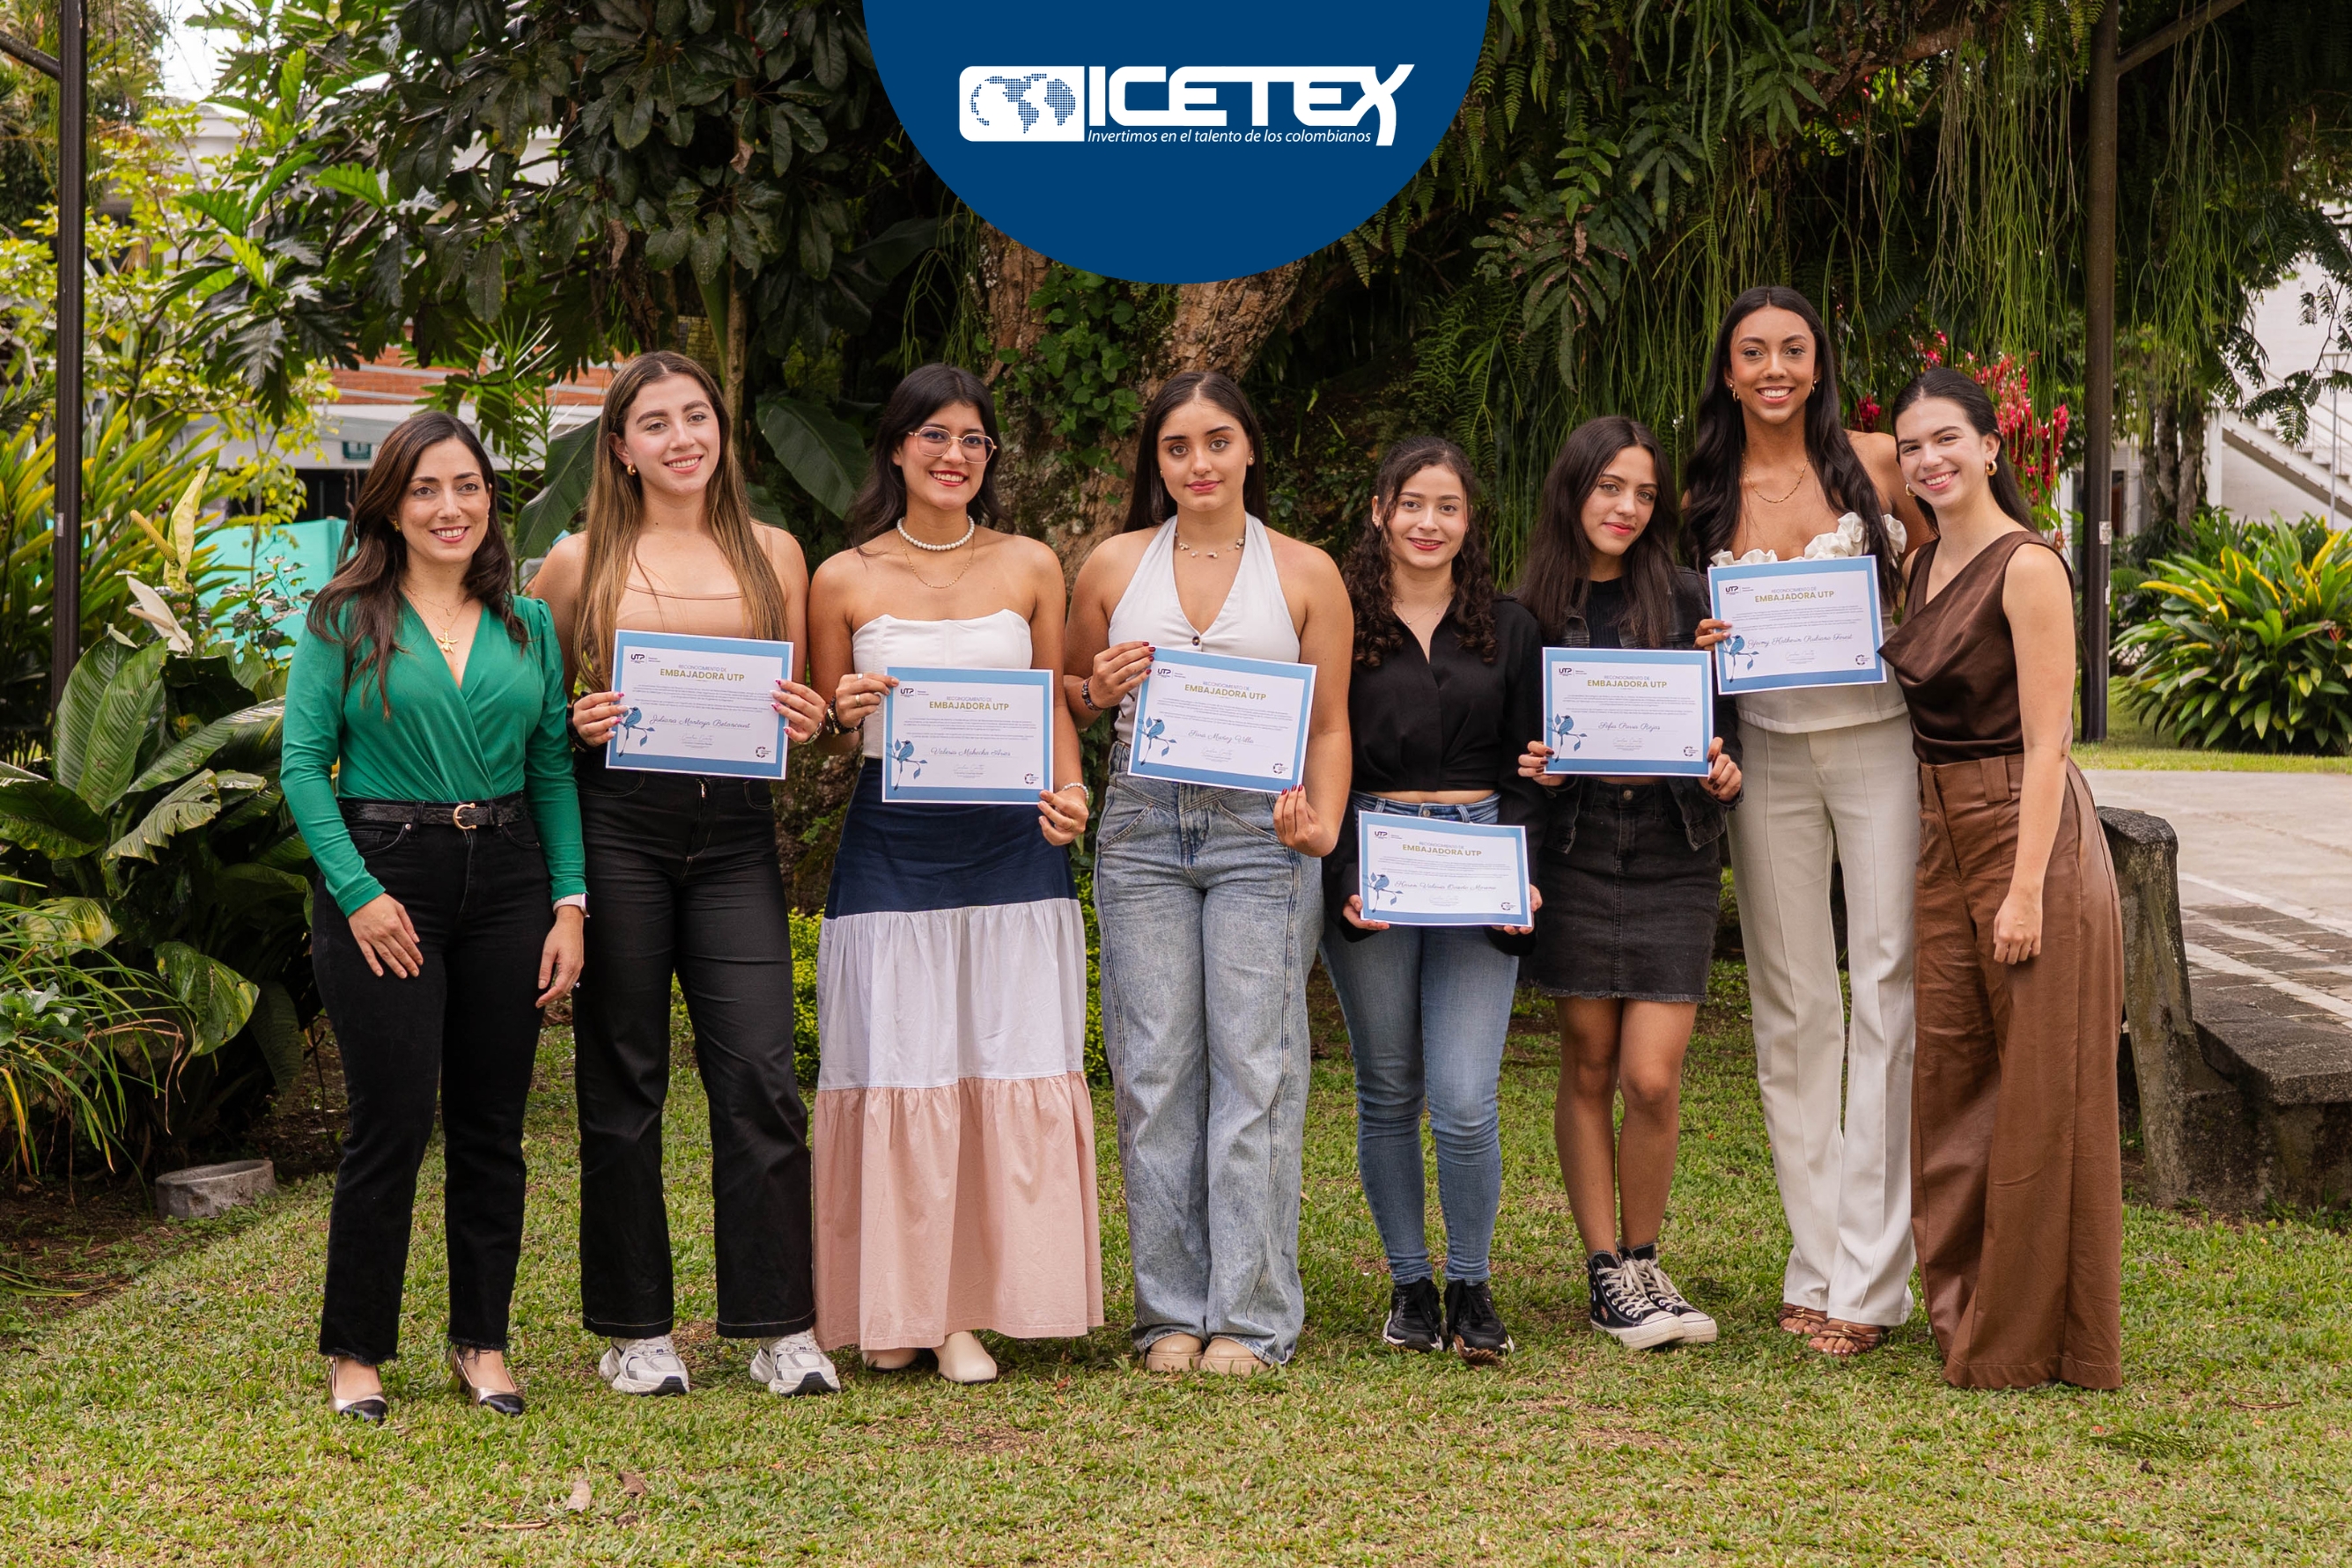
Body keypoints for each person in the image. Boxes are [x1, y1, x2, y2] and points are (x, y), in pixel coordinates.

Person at [531, 350, 839, 1401]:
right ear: (618, 445)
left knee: (759, 1073)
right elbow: (537, 725)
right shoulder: (574, 563)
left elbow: (801, 706)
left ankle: (778, 1325)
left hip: (736, 837)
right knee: (625, 1079)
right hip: (620, 831)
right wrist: (573, 721)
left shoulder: (777, 554)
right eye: (654, 422)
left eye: (695, 416)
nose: (680, 438)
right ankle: (635, 1329)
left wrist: (810, 716)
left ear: (721, 428)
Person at [284, 412, 586, 1423]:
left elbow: (550, 769)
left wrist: (569, 903)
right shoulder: (345, 614)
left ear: (490, 498)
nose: (449, 507)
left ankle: (482, 1341)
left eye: (467, 485)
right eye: (424, 489)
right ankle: (357, 1350)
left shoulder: (527, 622)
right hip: (385, 869)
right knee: (395, 1119)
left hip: (507, 875)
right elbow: (301, 765)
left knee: (493, 1126)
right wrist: (360, 893)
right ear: (390, 505)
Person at [806, 363, 1101, 1386]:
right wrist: (842, 711)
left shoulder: (1029, 564)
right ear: (895, 447)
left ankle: (970, 1308)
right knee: (901, 1070)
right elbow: (831, 737)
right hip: (892, 848)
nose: (954, 455)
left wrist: (1074, 798)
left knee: (996, 1066)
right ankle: (899, 1303)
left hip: (1014, 849)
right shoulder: (840, 576)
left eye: (974, 439)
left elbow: (1052, 703)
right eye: (934, 435)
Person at [1065, 370, 1353, 1376]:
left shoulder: (1307, 573)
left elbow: (1328, 722)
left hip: (1259, 835)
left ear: (1249, 450)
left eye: (1218, 441)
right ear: (1157, 461)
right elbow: (1070, 690)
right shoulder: (1108, 566)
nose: (1199, 463)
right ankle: (1169, 1314)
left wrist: (1320, 823)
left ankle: (1252, 1315)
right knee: (1152, 1074)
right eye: (1179, 446)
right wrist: (1091, 688)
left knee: (1257, 1069)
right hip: (1143, 830)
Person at [1682, 285, 1930, 1358]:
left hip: (1879, 737)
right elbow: (1661, 618)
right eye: (1753, 352)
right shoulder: (1702, 493)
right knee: (1792, 1004)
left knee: (1882, 984)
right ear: (1728, 371)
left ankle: (1872, 1280)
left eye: (1793, 349)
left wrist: (1900, 613)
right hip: (1769, 753)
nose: (1774, 367)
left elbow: (1952, 566)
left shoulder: (1875, 463)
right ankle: (1814, 1257)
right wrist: (1692, 650)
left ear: (1819, 365)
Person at [1880, 367, 2124, 1390]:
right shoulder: (1923, 561)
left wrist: (2024, 889)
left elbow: (2047, 740)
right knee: (1951, 1080)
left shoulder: (2029, 565)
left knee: (2039, 1088)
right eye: (1909, 449)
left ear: (1992, 445)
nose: (1927, 460)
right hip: (1941, 833)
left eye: (1947, 440)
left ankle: (2036, 1341)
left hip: (2026, 836)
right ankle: (1965, 1310)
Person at [1515, 416, 1742, 1351]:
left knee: (1652, 1076)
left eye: (1644, 492)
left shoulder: (1687, 596)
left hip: (1669, 848)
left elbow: (1721, 733)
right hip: (1574, 848)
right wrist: (1536, 765)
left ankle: (1646, 1257)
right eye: (1611, 486)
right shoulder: (1525, 612)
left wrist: (1725, 770)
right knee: (1588, 1060)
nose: (1627, 506)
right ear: (1574, 489)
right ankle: (1607, 1269)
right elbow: (1509, 745)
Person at [1318, 436, 1545, 1364]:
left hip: (1480, 856)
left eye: (1447, 506)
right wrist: (1340, 878)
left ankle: (1473, 1282)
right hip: (1371, 854)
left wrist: (1523, 869)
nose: (1428, 522)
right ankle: (1410, 1283)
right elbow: (1314, 747)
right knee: (1386, 1089)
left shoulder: (1509, 623)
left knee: (1462, 1095)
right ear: (1379, 509)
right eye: (1412, 502)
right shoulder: (1336, 617)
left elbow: (1533, 764)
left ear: (1467, 520)